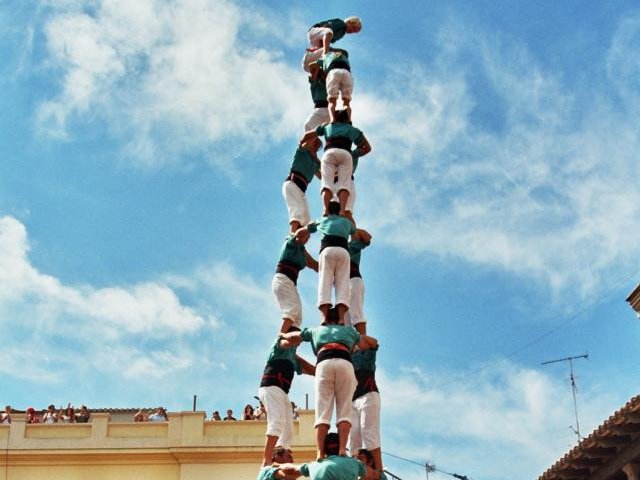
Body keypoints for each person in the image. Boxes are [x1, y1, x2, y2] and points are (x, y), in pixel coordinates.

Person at [282, 307, 378, 459]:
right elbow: (367, 345)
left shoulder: (316, 330)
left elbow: (295, 336)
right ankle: (341, 450)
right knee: (344, 411)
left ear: (325, 318)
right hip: (345, 363)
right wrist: (358, 340)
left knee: (323, 412)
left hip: (324, 363)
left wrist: (283, 335)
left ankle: (320, 452)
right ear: (339, 319)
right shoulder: (349, 331)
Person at [258, 327, 315, 467]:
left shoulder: (293, 357)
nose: (300, 342)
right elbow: (286, 343)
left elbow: (313, 370)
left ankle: (281, 455)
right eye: (297, 338)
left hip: (282, 392)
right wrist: (296, 339)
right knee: (276, 421)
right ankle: (266, 460)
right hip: (271, 387)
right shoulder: (280, 346)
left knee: (287, 430)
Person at [300, 109, 371, 217]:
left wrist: (301, 143)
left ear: (335, 118)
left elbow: (307, 136)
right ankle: (342, 211)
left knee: (326, 184)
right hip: (346, 154)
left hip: (329, 153)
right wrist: (357, 152)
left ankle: (325, 210)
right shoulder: (352, 130)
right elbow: (367, 148)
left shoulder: (328, 126)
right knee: (344, 185)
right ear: (347, 119)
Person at [300, 201, 355, 324]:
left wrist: (295, 235)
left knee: (324, 283)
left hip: (327, 251)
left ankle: (324, 318)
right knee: (343, 285)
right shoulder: (346, 222)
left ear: (328, 210)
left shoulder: (321, 220)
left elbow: (304, 230)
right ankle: (341, 318)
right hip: (343, 251)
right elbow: (354, 231)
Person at [272, 228, 319, 333]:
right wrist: (311, 227)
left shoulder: (302, 251)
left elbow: (315, 265)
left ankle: (289, 346)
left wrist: (335, 270)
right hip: (283, 279)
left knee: (297, 317)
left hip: (290, 282)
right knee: (292, 311)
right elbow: (298, 235)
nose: (307, 238)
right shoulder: (290, 242)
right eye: (306, 235)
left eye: (308, 237)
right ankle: (279, 341)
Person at [349, 345, 382, 473]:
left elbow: (374, 344)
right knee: (353, 439)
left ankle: (379, 472)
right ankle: (354, 471)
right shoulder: (346, 357)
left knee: (368, 432)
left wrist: (358, 339)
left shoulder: (366, 353)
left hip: (368, 394)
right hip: (352, 400)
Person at [279, 433, 368, 479]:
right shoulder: (355, 463)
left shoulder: (313, 466)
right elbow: (369, 474)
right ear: (342, 446)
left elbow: (292, 468)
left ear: (323, 448)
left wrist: (277, 465)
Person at [282, 139, 321, 234]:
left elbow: (322, 176)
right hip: (292, 183)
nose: (316, 148)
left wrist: (317, 160)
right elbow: (304, 143)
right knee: (296, 212)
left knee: (306, 218)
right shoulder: (302, 151)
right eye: (315, 144)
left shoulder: (314, 163)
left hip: (301, 190)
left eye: (317, 147)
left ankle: (299, 243)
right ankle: (291, 237)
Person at [316, 48, 354, 123]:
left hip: (333, 72)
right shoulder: (344, 57)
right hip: (347, 73)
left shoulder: (327, 55)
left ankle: (332, 120)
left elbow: (316, 64)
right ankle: (349, 120)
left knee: (332, 101)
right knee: (346, 102)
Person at [347, 228, 372, 334]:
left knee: (356, 312)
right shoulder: (330, 248)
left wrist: (347, 225)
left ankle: (363, 342)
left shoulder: (350, 246)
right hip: (342, 285)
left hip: (353, 280)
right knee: (345, 319)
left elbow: (367, 238)